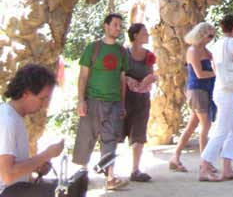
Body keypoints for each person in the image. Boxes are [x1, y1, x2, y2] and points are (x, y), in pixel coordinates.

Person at [73, 13, 129, 191]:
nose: (118, 28)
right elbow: (83, 76)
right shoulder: (93, 48)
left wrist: (122, 104)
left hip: (114, 102)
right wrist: (81, 100)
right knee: (86, 136)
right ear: (106, 26)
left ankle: (110, 177)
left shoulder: (122, 51)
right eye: (115, 25)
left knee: (110, 139)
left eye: (120, 25)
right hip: (93, 100)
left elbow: (122, 79)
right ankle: (80, 176)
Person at [199, 15, 233, 182]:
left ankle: (227, 168)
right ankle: (205, 166)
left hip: (221, 88)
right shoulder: (232, 43)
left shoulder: (216, 45)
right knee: (222, 131)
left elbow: (215, 67)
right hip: (228, 92)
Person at [0, 65, 64, 196]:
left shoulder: (14, 117)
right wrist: (46, 155)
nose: (45, 105)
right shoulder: (7, 121)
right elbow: (7, 175)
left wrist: (36, 166)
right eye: (42, 98)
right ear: (26, 93)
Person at [170, 22, 216, 173]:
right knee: (206, 125)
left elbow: (214, 61)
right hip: (197, 90)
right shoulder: (193, 51)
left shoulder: (205, 50)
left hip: (205, 89)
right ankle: (205, 161)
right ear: (201, 35)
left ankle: (175, 157)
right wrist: (216, 73)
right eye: (209, 36)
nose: (211, 39)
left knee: (192, 126)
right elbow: (199, 74)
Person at [123, 23, 157, 182]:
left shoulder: (149, 55)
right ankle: (109, 170)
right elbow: (117, 73)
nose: (147, 35)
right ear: (135, 35)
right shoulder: (124, 53)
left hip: (142, 98)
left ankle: (135, 170)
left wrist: (149, 79)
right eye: (144, 33)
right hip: (124, 97)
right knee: (116, 133)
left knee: (139, 133)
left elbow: (153, 74)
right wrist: (127, 79)